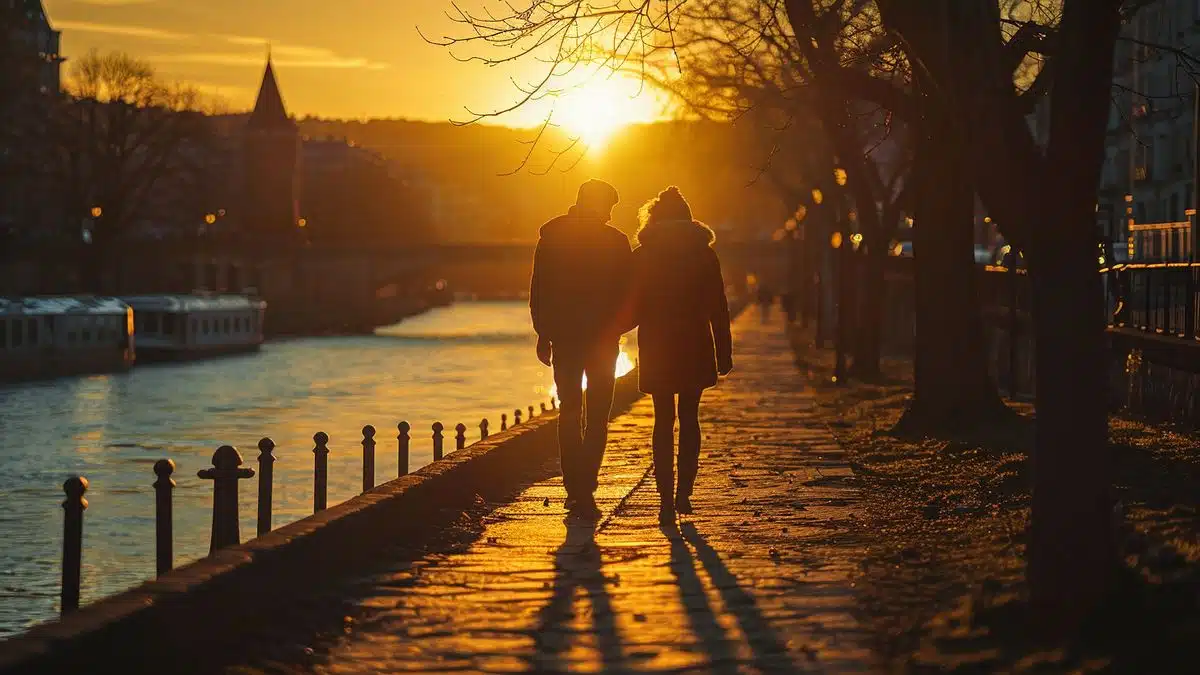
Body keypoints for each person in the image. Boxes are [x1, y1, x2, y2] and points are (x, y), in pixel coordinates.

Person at [530, 179, 634, 520]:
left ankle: (573, 488)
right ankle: (586, 485)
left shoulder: (552, 237)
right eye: (609, 207)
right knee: (598, 417)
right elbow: (628, 292)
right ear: (600, 205)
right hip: (603, 339)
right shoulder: (616, 242)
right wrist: (618, 328)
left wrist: (544, 334)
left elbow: (539, 291)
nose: (609, 214)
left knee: (569, 411)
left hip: (565, 337)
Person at [632, 186, 732, 525]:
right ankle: (684, 493)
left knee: (663, 420)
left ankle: (663, 499)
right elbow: (718, 305)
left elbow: (630, 304)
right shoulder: (705, 254)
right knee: (690, 417)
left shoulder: (643, 254)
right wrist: (724, 351)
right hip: (695, 343)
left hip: (658, 343)